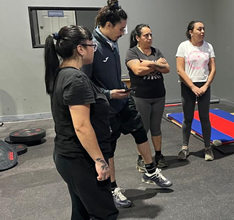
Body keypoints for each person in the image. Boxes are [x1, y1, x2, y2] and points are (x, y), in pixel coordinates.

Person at [82, 0, 172, 209]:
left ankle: (150, 171)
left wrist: (120, 87)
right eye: (121, 29)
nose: (124, 33)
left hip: (123, 99)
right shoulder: (91, 45)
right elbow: (86, 83)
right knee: (110, 148)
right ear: (108, 24)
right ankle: (113, 188)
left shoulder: (111, 41)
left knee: (140, 132)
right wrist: (108, 93)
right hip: (106, 105)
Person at [44, 25, 118, 220]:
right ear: (80, 48)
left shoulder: (65, 73)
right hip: (79, 159)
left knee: (82, 212)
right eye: (92, 45)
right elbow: (82, 126)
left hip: (70, 156)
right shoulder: (75, 78)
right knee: (105, 214)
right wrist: (100, 161)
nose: (94, 48)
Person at [125, 24, 170, 168]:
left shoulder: (156, 51)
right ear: (138, 38)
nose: (149, 38)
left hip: (158, 95)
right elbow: (138, 70)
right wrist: (157, 64)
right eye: (146, 35)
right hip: (141, 97)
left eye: (151, 35)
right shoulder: (132, 53)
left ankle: (158, 155)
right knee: (142, 128)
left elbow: (167, 69)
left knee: (156, 127)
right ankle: (141, 157)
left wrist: (149, 63)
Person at [175, 20, 216, 161]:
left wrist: (205, 86)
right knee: (188, 118)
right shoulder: (183, 46)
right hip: (188, 86)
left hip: (204, 86)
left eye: (203, 29)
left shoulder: (208, 46)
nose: (202, 31)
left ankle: (207, 148)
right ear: (191, 32)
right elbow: (180, 69)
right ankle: (184, 147)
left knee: (205, 117)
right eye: (199, 29)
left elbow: (213, 69)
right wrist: (192, 86)